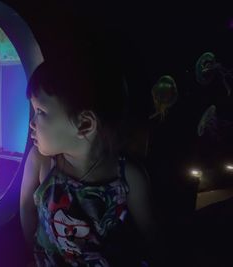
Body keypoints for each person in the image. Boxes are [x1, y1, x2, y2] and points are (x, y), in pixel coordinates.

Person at [20, 30, 169, 267]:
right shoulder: (41, 161)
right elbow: (26, 208)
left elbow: (152, 236)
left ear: (85, 124)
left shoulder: (129, 177)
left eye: (41, 112)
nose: (32, 122)